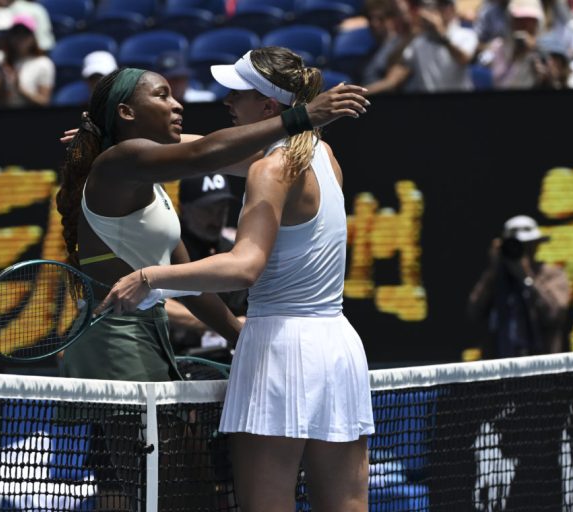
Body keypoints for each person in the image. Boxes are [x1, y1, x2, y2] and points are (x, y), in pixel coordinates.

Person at [96, 47, 374, 512]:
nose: (227, 99)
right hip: (339, 348)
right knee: (345, 504)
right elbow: (202, 150)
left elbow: (245, 266)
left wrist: (150, 276)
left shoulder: (269, 169)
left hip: (280, 350)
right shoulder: (324, 155)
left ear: (267, 108)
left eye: (238, 93)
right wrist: (115, 142)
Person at [467, 215, 571, 358]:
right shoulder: (496, 278)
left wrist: (526, 278)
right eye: (515, 245)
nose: (521, 251)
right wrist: (493, 269)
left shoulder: (552, 275)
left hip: (542, 367)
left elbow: (553, 314)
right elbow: (475, 312)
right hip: (499, 368)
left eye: (527, 245)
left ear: (537, 245)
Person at [167, 173, 247, 356]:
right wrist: (224, 323)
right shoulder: (167, 248)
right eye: (208, 209)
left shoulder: (233, 252)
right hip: (175, 357)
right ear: (184, 209)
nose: (217, 217)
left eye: (222, 208)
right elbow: (155, 301)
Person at [366, 0, 478, 93]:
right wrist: (360, 93)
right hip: (430, 108)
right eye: (432, 7)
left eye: (441, 5)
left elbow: (464, 59)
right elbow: (393, 80)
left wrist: (442, 36)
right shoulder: (419, 42)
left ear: (452, 9)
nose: (436, 10)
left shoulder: (466, 35)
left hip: (460, 104)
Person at [0, 13, 55, 107]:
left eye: (25, 34)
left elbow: (44, 102)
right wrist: (3, 81)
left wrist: (20, 89)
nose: (20, 38)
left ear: (33, 37)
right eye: (16, 33)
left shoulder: (44, 64)